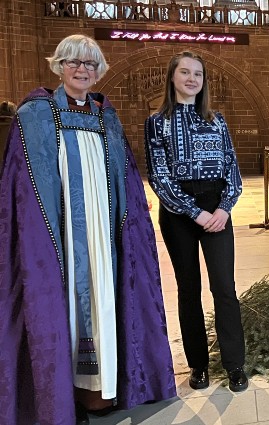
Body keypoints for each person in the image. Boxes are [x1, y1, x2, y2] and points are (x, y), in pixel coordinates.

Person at [0, 34, 176, 425]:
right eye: (73, 62)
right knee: (67, 308)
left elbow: (126, 175)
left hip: (105, 235)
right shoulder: (34, 115)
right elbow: (21, 185)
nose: (82, 70)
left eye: (90, 64)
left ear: (99, 71)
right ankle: (66, 396)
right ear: (59, 65)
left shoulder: (105, 115)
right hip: (59, 237)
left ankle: (105, 388)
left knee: (106, 301)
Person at [145, 50, 248, 393]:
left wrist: (224, 208)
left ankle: (235, 364)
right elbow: (159, 178)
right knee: (188, 290)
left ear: (203, 82)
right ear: (172, 77)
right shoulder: (156, 122)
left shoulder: (216, 120)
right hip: (179, 215)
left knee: (224, 288)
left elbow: (232, 169)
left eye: (198, 74)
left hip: (216, 208)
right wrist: (194, 212)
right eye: (185, 72)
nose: (192, 79)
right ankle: (198, 365)